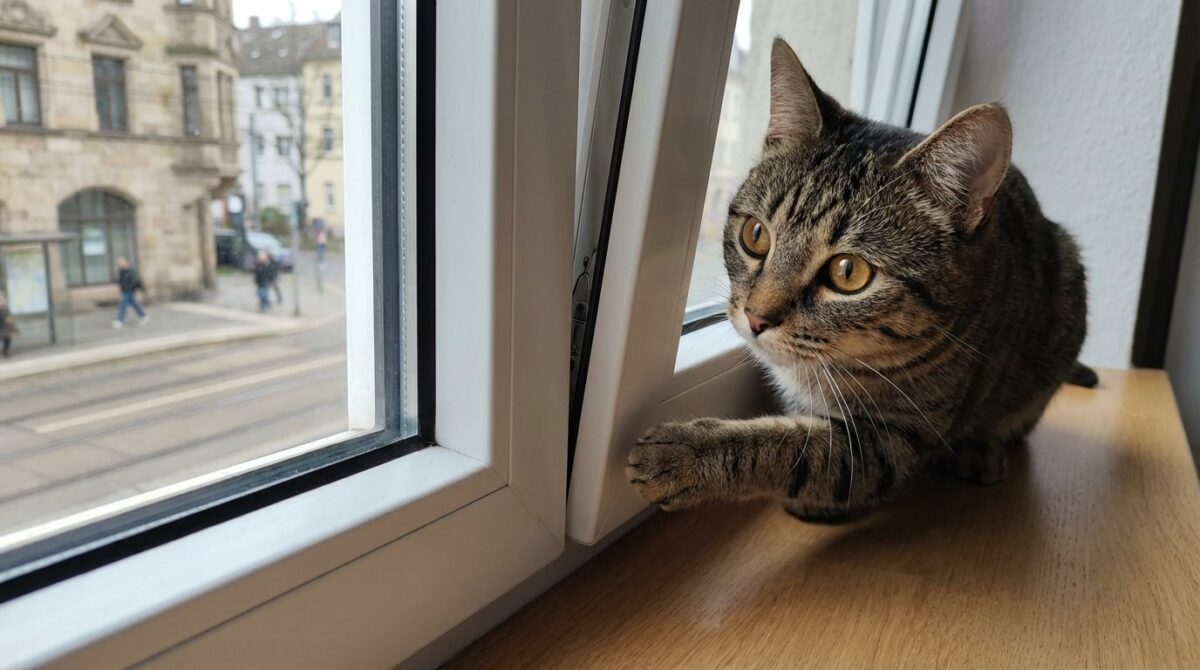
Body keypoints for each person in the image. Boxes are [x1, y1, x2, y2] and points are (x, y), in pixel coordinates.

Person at [112, 257, 149, 328]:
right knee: (134, 304)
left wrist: (137, 288)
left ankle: (120, 320)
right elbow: (121, 280)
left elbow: (135, 280)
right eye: (119, 263)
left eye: (122, 263)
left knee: (123, 305)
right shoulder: (121, 271)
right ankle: (143, 316)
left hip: (130, 290)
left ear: (126, 262)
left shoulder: (131, 270)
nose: (120, 265)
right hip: (125, 290)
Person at [0, 292, 17, 357]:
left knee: (7, 339)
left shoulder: (5, 310)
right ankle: (5, 351)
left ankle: (6, 351)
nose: (1, 302)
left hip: (4, 329)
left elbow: (9, 320)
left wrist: (14, 329)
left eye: (2, 300)